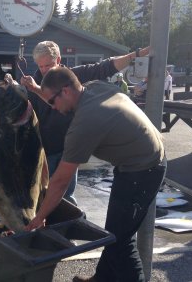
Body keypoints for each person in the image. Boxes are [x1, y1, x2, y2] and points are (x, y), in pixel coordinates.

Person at [25, 67, 166, 282]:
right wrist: (37, 91)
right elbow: (61, 102)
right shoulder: (94, 88)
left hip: (143, 171)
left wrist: (39, 218)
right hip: (135, 162)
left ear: (65, 91)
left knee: (121, 241)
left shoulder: (85, 123)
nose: (53, 109)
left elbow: (60, 181)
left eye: (52, 102)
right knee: (114, 232)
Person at [21, 41, 149, 205]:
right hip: (43, 151)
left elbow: (105, 67)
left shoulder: (73, 77)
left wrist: (136, 55)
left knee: (64, 196)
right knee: (41, 194)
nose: (45, 70)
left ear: (59, 60)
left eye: (49, 65)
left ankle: (68, 225)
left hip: (68, 149)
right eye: (41, 66)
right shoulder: (31, 85)